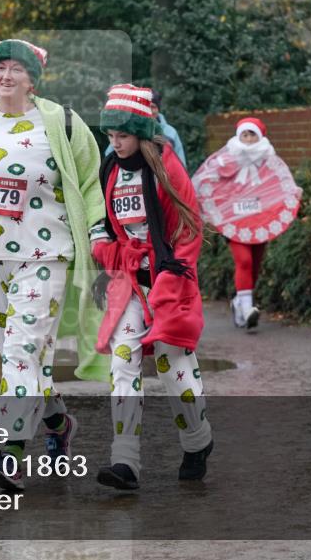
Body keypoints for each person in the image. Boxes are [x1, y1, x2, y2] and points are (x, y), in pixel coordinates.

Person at [0, 38, 108, 491]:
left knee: (21, 352)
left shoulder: (63, 123)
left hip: (45, 256)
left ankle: (10, 452)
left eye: (15, 69)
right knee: (23, 355)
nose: (5, 76)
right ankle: (58, 422)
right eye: (0, 67)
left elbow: (90, 184)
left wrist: (101, 232)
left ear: (33, 78)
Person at [91, 83, 214, 490]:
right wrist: (105, 251)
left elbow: (188, 229)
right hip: (130, 287)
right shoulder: (110, 167)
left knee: (172, 368)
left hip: (169, 285)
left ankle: (197, 439)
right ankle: (125, 462)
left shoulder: (168, 168)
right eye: (110, 137)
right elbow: (107, 226)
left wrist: (171, 281)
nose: (115, 144)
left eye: (122, 136)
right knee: (122, 364)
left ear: (142, 133)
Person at [191, 117, 302, 329]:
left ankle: (239, 303)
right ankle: (247, 308)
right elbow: (209, 182)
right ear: (238, 136)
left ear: (260, 137)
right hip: (234, 224)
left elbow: (280, 185)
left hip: (260, 221)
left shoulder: (269, 160)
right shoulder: (226, 159)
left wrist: (293, 194)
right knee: (244, 261)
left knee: (255, 264)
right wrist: (211, 212)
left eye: (252, 135)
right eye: (245, 134)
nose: (248, 139)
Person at [103, 89, 186, 167]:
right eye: (146, 107)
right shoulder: (131, 130)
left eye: (153, 107)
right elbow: (109, 155)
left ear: (158, 109)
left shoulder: (170, 132)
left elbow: (181, 162)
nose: (149, 111)